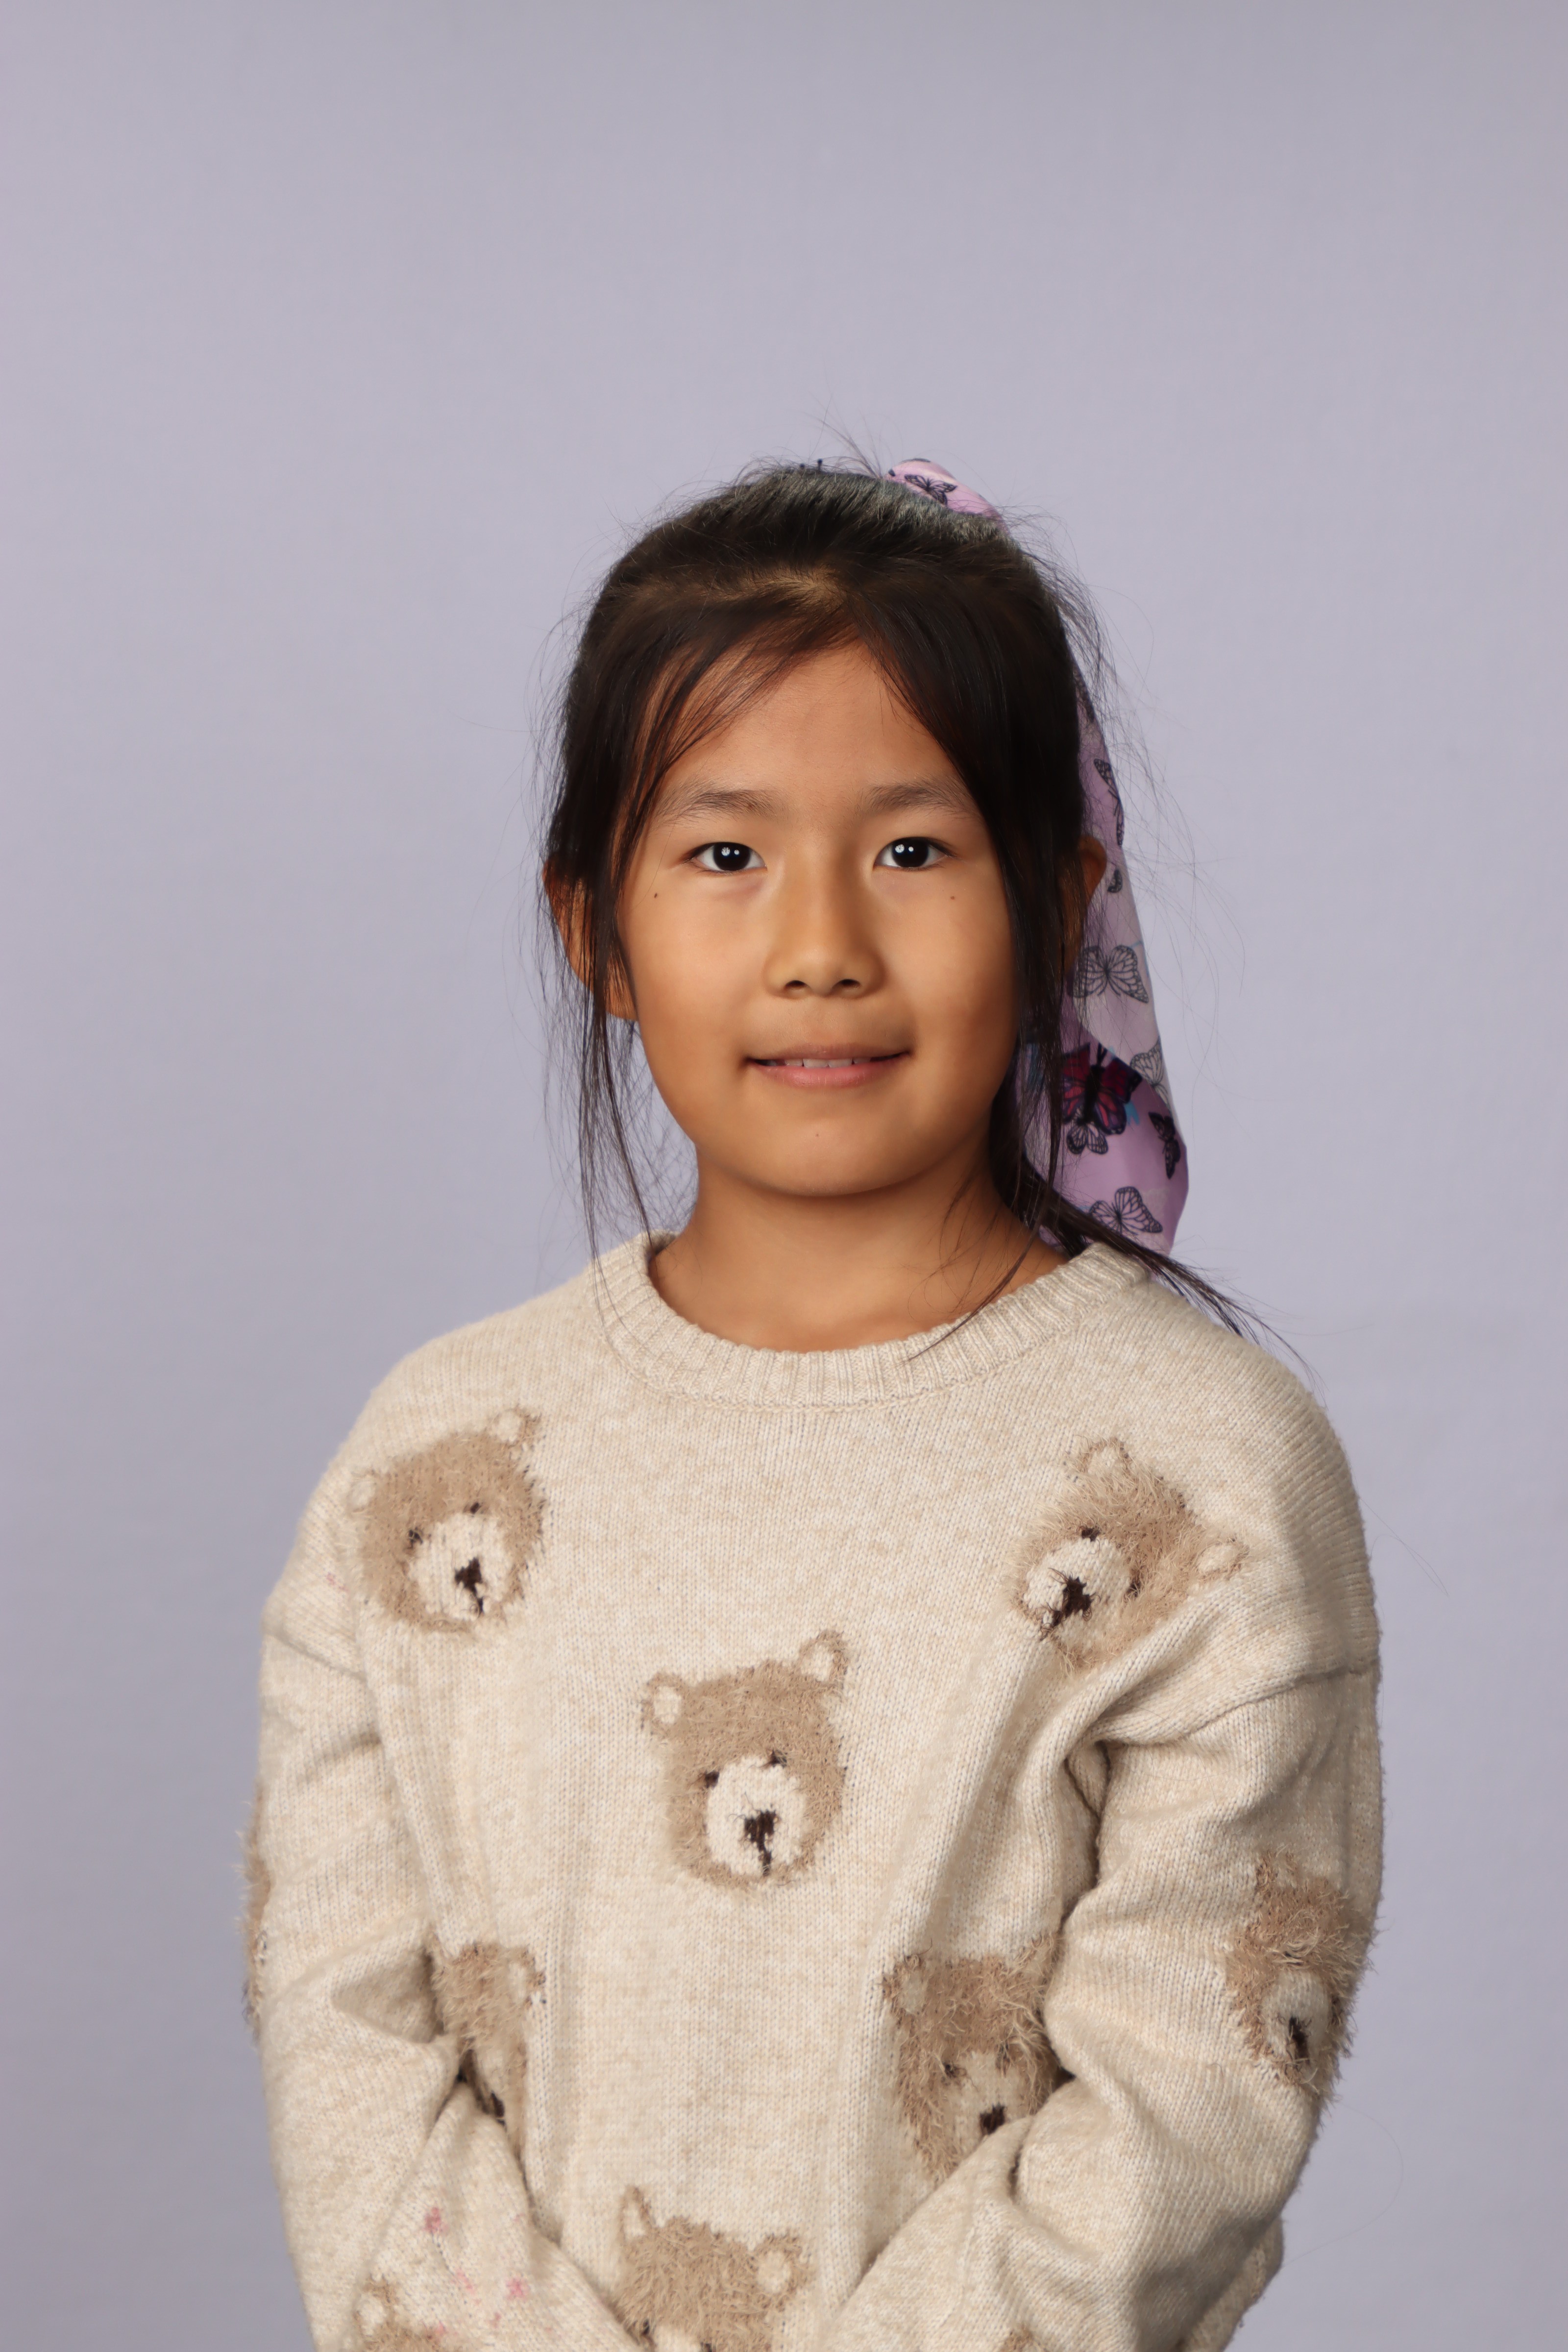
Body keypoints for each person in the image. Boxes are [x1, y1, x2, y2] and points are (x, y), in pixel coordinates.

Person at [246, 459, 1381, 2352]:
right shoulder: (429, 1470)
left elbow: (1183, 2113)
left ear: (1060, 899)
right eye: (724, 855)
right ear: (592, 928)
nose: (822, 943)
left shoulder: (1200, 1482)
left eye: (915, 851)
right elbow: (346, 2050)